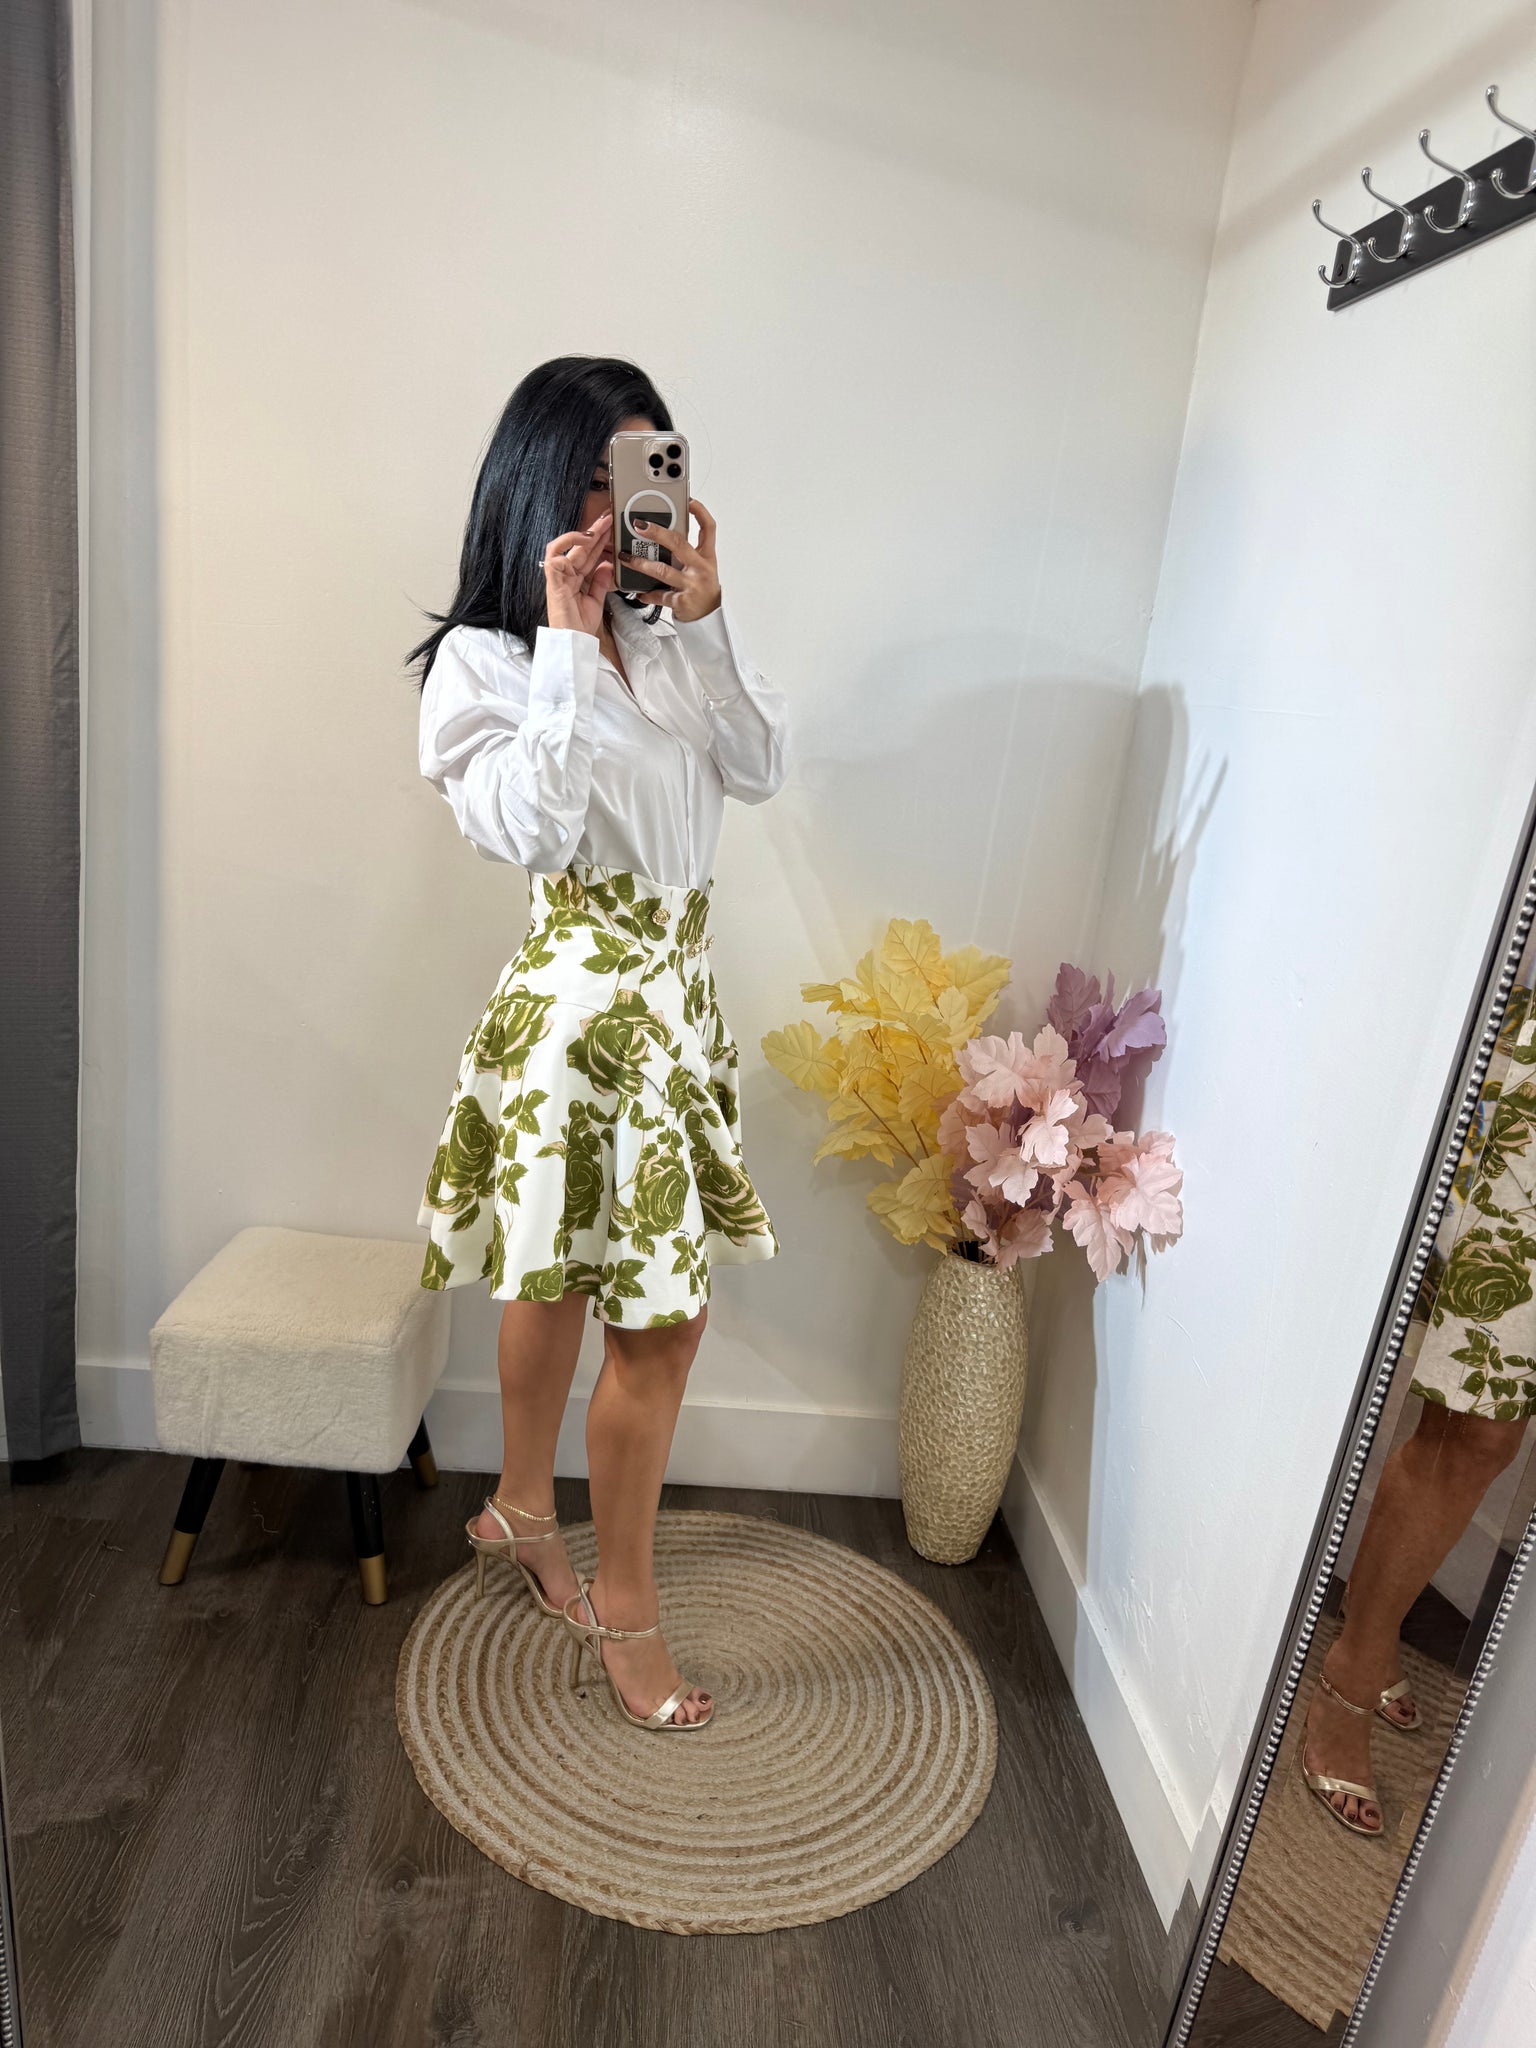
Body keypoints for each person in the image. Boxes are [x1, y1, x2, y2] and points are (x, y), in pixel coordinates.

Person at [408, 356, 790, 1732]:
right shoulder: (487, 662)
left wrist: (706, 620)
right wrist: (569, 644)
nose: (612, 508)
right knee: (647, 1318)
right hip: (579, 1005)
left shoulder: (672, 640)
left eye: (637, 474)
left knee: (579, 1278)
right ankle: (625, 1610)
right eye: (588, 476)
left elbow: (758, 770)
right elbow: (532, 828)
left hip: (678, 1002)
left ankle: (523, 1506)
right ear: (531, 486)